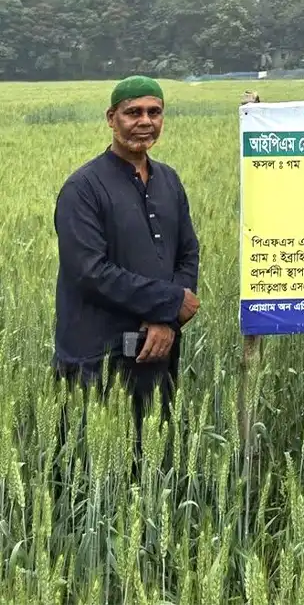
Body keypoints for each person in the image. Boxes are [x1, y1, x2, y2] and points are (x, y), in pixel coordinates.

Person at [53, 75, 201, 446]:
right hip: (97, 357)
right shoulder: (83, 187)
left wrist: (166, 320)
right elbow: (90, 271)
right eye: (133, 112)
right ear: (111, 117)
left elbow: (188, 252)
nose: (145, 121)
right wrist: (170, 302)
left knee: (151, 463)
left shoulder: (169, 180)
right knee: (91, 468)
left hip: (155, 350)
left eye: (154, 112)